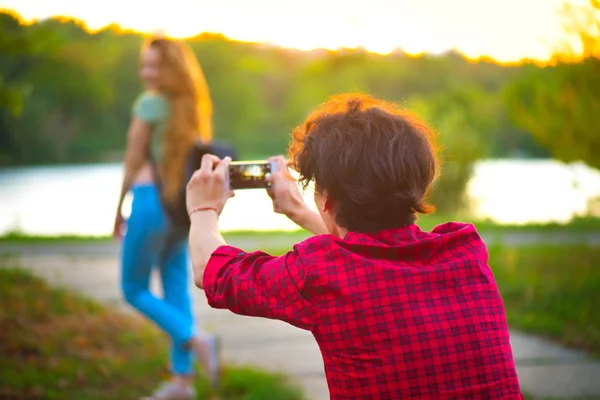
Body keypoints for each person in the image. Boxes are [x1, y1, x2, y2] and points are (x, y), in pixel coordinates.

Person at [185, 93, 524, 399]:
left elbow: (212, 269)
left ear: (328, 199)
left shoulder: (318, 273)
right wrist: (299, 210)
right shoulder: (465, 252)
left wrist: (203, 208)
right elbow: (368, 254)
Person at [113, 37, 218, 400]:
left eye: (154, 66)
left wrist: (117, 210)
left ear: (171, 69)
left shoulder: (150, 103)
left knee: (133, 288)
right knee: (175, 290)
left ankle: (196, 338)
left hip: (148, 202)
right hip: (178, 210)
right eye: (144, 65)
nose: (146, 73)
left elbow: (132, 159)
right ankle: (182, 383)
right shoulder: (193, 107)